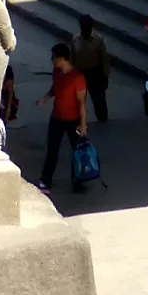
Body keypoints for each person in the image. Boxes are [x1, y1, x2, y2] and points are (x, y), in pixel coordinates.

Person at [35, 42, 89, 193]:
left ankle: (78, 181)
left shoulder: (77, 78)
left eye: (54, 57)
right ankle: (46, 180)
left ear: (62, 59)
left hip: (73, 120)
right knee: (52, 150)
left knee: (77, 152)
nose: (52, 60)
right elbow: (55, 88)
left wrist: (83, 125)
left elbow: (82, 103)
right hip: (57, 117)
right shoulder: (56, 72)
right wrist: (45, 98)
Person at [72, 15, 111, 123]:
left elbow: (104, 59)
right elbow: (72, 59)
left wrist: (105, 76)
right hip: (80, 73)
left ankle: (103, 121)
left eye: (86, 26)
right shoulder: (75, 40)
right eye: (83, 26)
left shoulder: (98, 40)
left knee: (99, 101)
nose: (84, 28)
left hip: (95, 73)